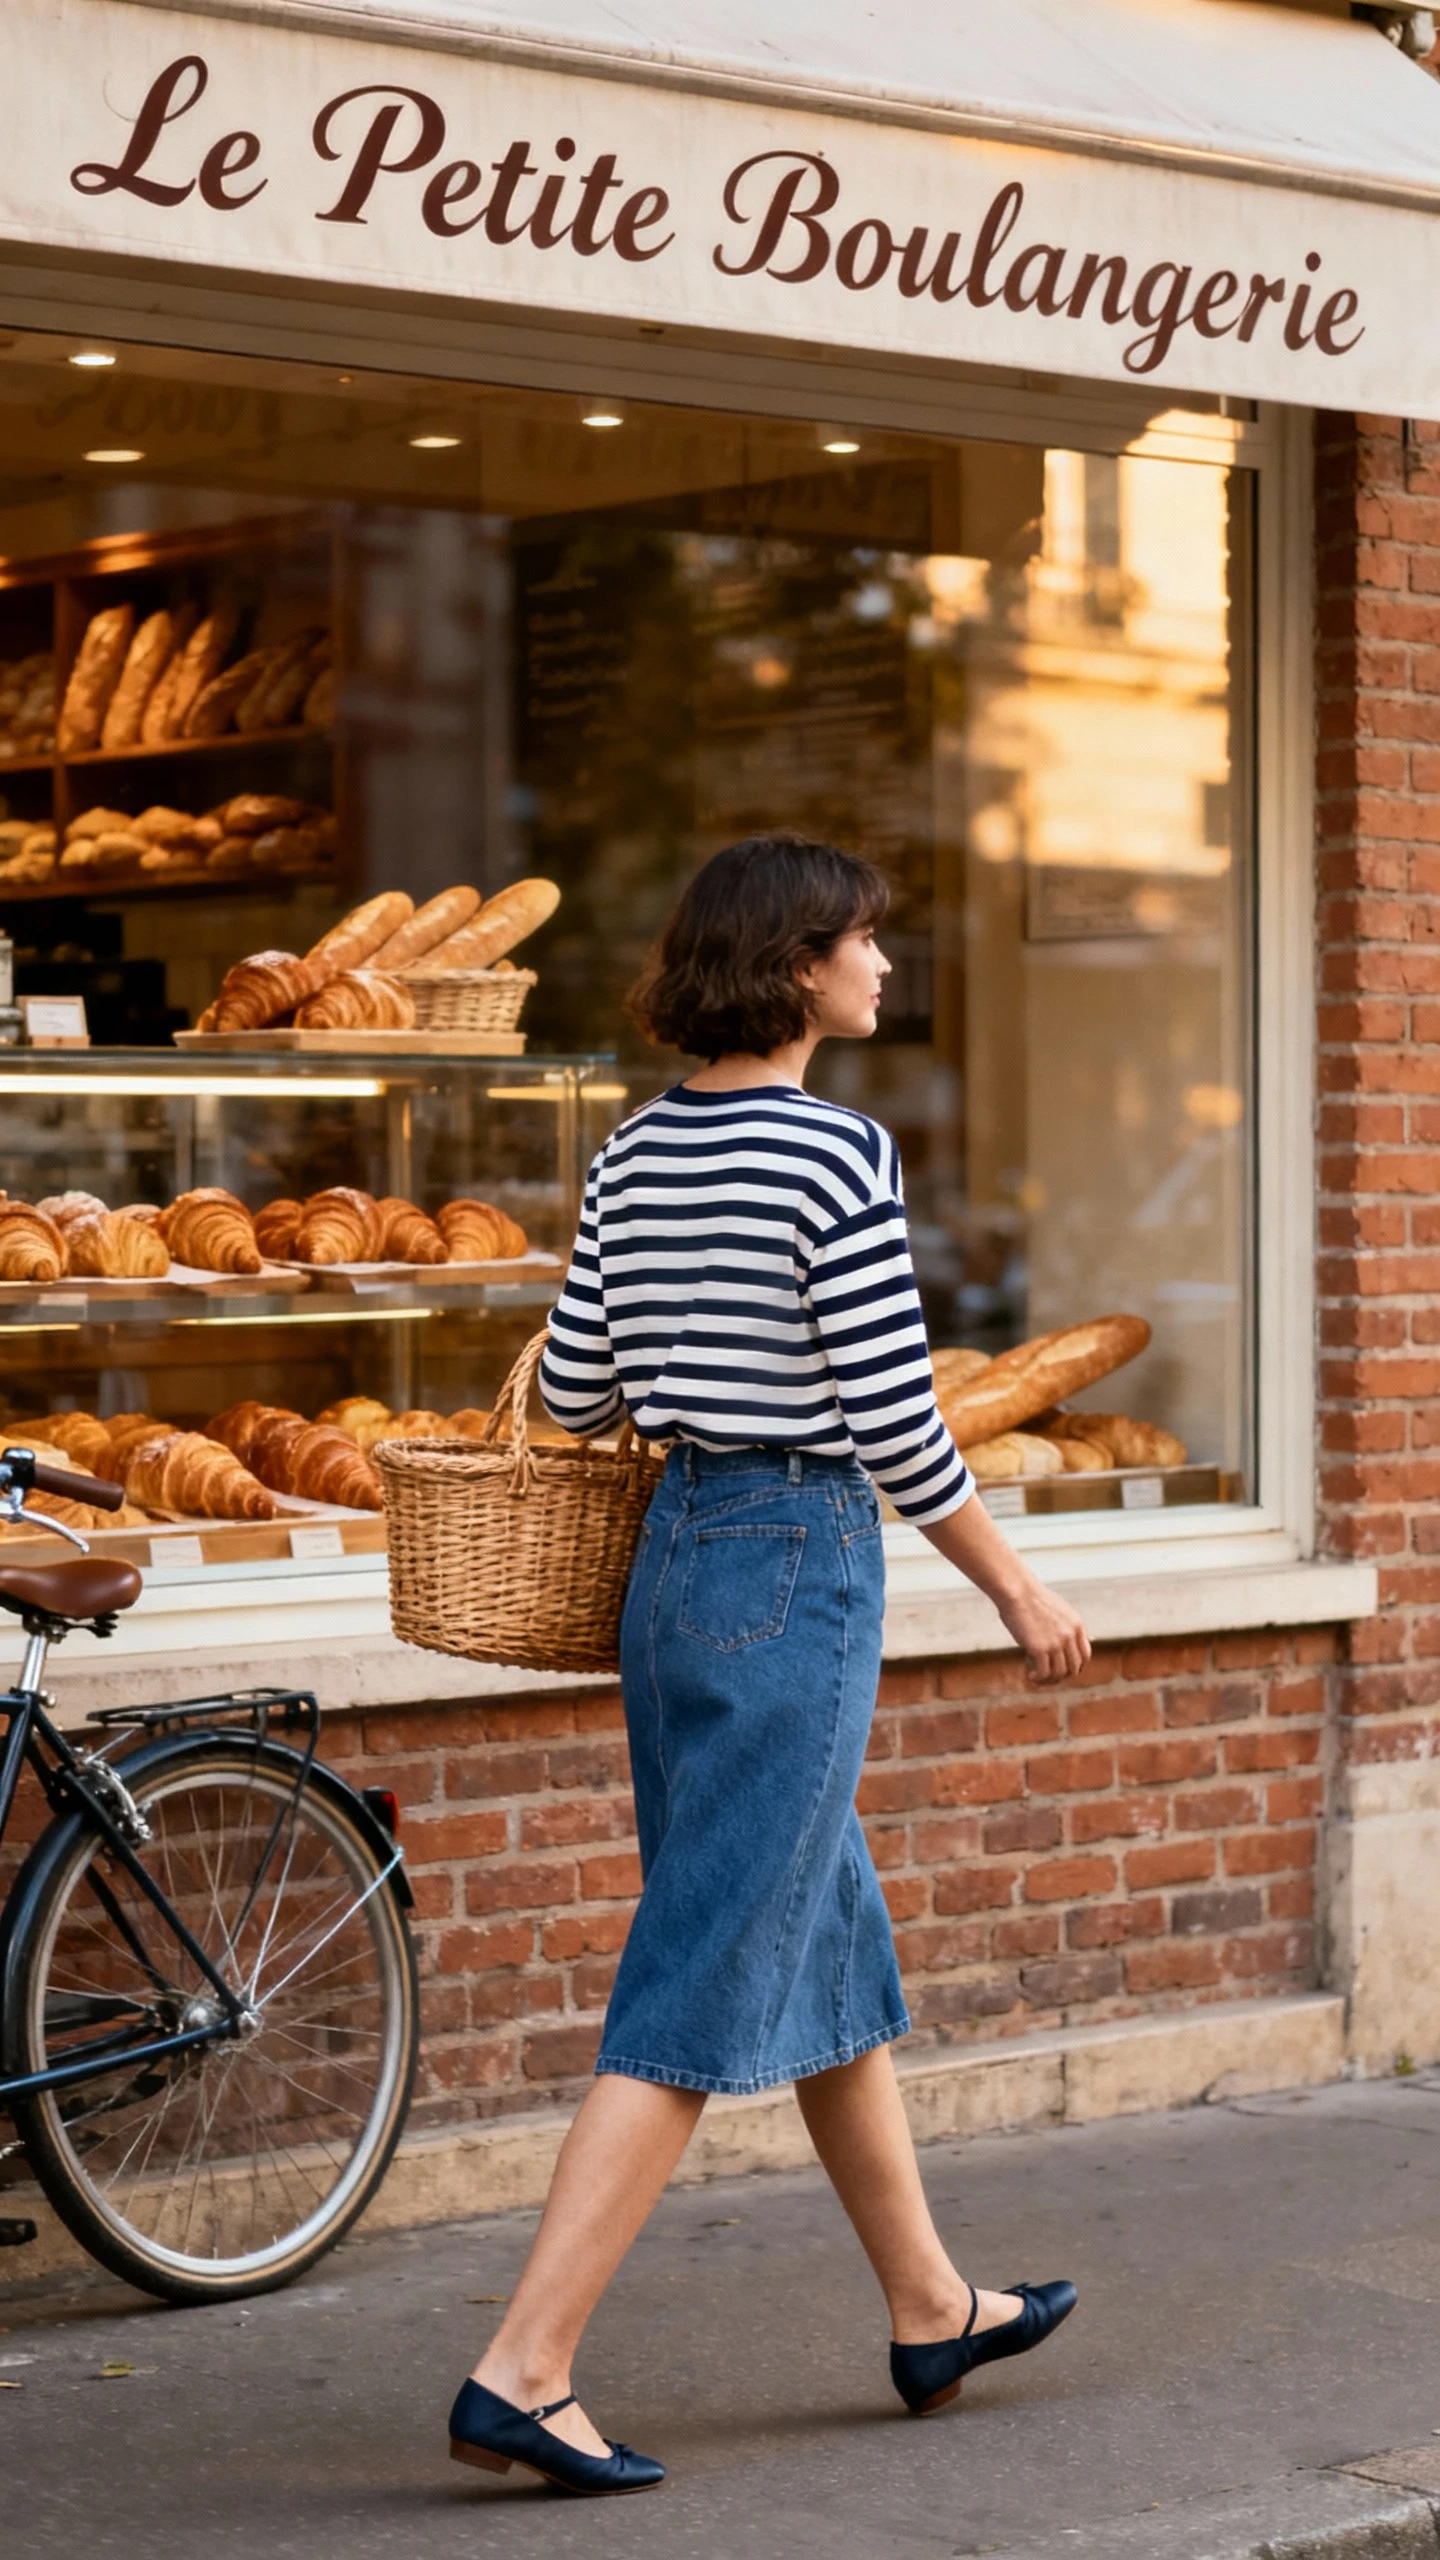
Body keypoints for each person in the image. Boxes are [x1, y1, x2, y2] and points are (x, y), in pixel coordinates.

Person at [448, 835, 1089, 2497]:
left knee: (817, 1938)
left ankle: (931, 2303)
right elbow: (896, 1418)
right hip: (796, 1561)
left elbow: (583, 1388)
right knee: (710, 1968)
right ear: (800, 964)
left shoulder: (637, 1151)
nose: (885, 965)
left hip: (673, 1572)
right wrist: (1017, 1584)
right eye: (867, 941)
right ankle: (524, 2369)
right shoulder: (835, 1154)